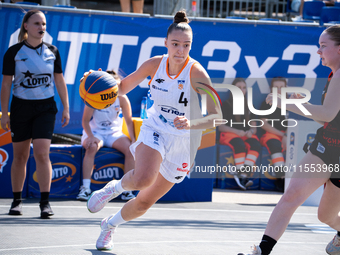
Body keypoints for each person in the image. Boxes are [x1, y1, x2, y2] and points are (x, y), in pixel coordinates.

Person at [86, 10, 222, 251]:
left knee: (144, 203)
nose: (181, 50)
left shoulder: (197, 73)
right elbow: (121, 88)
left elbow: (216, 116)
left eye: (186, 45)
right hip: (156, 126)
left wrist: (191, 123)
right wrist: (96, 83)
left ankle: (109, 225)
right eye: (176, 44)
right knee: (143, 178)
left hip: (184, 140)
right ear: (166, 43)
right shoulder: (153, 65)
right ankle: (112, 189)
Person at [239, 25, 340, 255]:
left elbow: (326, 114)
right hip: (326, 147)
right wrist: (295, 103)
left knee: (325, 215)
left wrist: (286, 103)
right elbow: (328, 118)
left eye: (323, 46)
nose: (319, 51)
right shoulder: (335, 73)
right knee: (291, 196)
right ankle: (262, 251)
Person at [0, 9, 70, 218]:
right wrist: (5, 113)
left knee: (41, 153)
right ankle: (17, 201)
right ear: (26, 26)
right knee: (20, 155)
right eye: (37, 24)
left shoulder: (53, 51)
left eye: (44, 24)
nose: (41, 28)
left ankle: (45, 203)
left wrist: (66, 106)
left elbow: (59, 80)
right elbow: (5, 84)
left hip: (45, 108)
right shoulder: (14, 52)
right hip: (21, 108)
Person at [77, 70, 136, 201]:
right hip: (96, 132)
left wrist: (133, 140)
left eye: (116, 86)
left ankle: (127, 190)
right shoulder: (96, 96)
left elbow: (129, 120)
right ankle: (85, 189)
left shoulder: (122, 98)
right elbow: (85, 120)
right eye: (111, 86)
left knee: (131, 150)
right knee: (91, 147)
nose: (114, 89)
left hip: (113, 132)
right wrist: (91, 136)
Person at [218, 78, 261, 190]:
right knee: (239, 145)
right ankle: (241, 175)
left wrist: (250, 132)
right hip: (230, 135)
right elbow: (221, 127)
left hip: (245, 136)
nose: (241, 90)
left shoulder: (250, 106)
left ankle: (243, 175)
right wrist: (237, 132)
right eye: (238, 88)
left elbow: (254, 127)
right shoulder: (226, 105)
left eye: (243, 88)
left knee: (256, 145)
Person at [259, 77, 288, 192]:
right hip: (271, 135)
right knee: (275, 145)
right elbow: (263, 124)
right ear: (271, 89)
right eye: (276, 87)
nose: (279, 90)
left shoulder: (292, 103)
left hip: (289, 136)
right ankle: (281, 179)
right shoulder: (267, 103)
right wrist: (282, 136)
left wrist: (287, 136)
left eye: (282, 87)